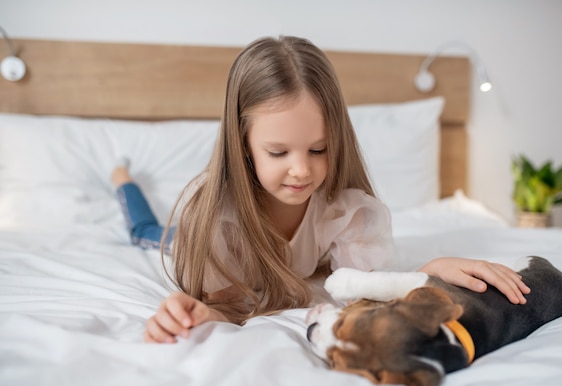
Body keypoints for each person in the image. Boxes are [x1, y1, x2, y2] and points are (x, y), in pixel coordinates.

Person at [111, 35, 530, 344]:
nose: (301, 171)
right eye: (277, 152)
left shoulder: (347, 211)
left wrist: (430, 273)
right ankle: (121, 179)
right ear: (243, 146)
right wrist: (200, 313)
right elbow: (224, 306)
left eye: (318, 149)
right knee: (146, 233)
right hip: (185, 234)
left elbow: (368, 292)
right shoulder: (217, 221)